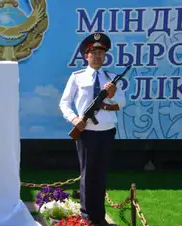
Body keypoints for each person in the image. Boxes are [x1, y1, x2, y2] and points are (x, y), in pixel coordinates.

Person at [59, 32, 126, 226]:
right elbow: (64, 103)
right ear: (86, 56)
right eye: (93, 53)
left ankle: (99, 216)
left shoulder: (111, 78)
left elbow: (122, 102)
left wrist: (112, 94)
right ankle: (87, 216)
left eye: (101, 53)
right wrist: (74, 119)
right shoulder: (77, 77)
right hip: (86, 132)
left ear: (105, 56)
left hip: (106, 132)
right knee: (88, 174)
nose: (98, 56)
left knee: (101, 173)